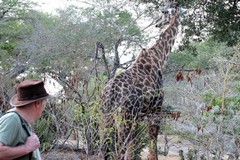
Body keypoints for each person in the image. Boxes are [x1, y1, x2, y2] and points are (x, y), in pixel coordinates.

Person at [0, 79, 50, 160]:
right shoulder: (12, 119)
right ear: (38, 103)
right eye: (44, 102)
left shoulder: (23, 121)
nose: (44, 107)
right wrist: (26, 148)